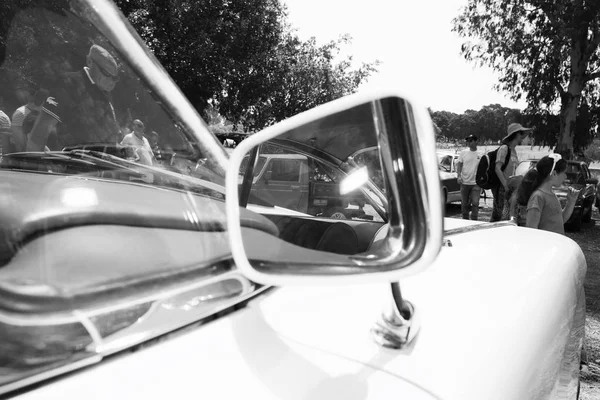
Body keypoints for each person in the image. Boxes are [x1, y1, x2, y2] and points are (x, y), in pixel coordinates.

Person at [56, 44, 120, 147]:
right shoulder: (68, 82)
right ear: (89, 62)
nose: (112, 81)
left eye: (115, 78)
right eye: (107, 73)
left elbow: (110, 133)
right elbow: (45, 129)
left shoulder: (106, 95)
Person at [516, 154, 579, 235]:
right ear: (554, 174)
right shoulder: (538, 197)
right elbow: (531, 230)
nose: (565, 176)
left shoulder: (552, 195)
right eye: (564, 172)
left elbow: (561, 220)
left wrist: (571, 202)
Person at [490, 123, 532, 222]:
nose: (522, 137)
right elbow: (497, 168)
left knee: (508, 216)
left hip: (511, 189)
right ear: (516, 134)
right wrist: (505, 185)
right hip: (502, 188)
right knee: (499, 217)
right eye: (521, 133)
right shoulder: (504, 149)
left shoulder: (514, 151)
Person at [456, 134, 481, 220]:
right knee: (464, 204)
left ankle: (474, 220)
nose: (468, 143)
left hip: (476, 183)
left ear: (476, 141)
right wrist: (459, 176)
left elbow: (484, 168)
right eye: (467, 141)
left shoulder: (481, 154)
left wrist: (483, 182)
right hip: (464, 182)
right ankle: (465, 220)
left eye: (471, 141)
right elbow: (459, 165)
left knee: (475, 203)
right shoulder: (463, 153)